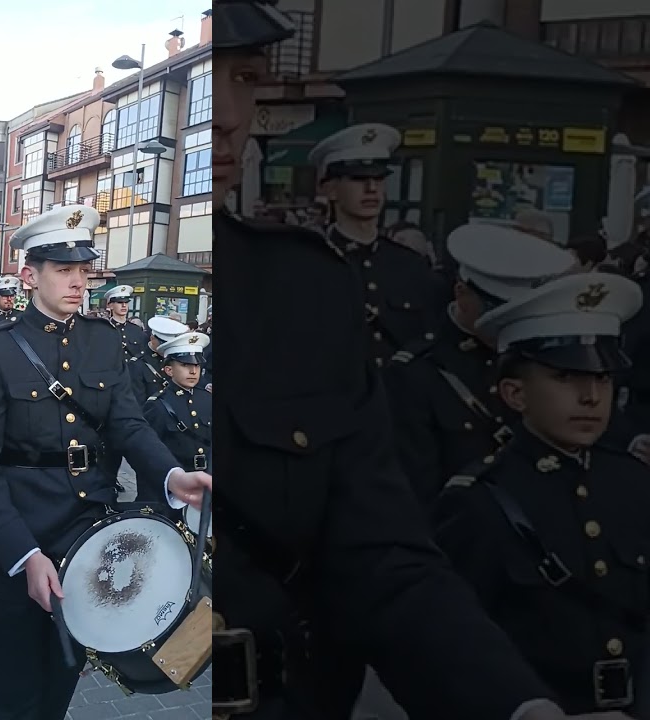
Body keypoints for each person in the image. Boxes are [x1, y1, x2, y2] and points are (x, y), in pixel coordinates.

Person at [218, 2, 623, 719]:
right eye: (198, 85)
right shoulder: (88, 311)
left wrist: (518, 708)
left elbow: (381, 554)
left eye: (244, 79)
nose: (224, 115)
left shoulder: (303, 291)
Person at [0, 205, 211, 719]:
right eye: (63, 270)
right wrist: (24, 555)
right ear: (30, 276)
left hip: (86, 538)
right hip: (19, 542)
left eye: (83, 270)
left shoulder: (102, 339)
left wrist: (172, 474)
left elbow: (128, 424)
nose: (79, 282)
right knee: (18, 696)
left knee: (61, 685)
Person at [435, 272, 650, 716]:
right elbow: (457, 648)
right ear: (515, 394)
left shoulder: (634, 481)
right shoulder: (480, 501)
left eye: (603, 378)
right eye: (566, 377)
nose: (590, 397)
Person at [383, 223, 577, 508]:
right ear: (461, 294)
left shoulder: (538, 357)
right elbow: (414, 486)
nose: (507, 323)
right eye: (496, 311)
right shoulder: (416, 371)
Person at [309, 122, 443, 367]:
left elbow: (431, 336)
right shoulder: (310, 262)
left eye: (379, 179)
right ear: (331, 190)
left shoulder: (410, 265)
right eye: (358, 179)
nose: (371, 189)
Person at [140, 330, 211, 505]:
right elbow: (148, 455)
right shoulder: (157, 404)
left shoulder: (208, 399)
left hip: (206, 483)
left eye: (197, 366)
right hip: (175, 490)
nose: (193, 371)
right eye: (185, 365)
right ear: (169, 370)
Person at [129, 315, 189, 406]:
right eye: (163, 343)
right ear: (152, 338)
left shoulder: (177, 360)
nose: (166, 347)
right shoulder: (138, 364)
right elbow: (137, 401)